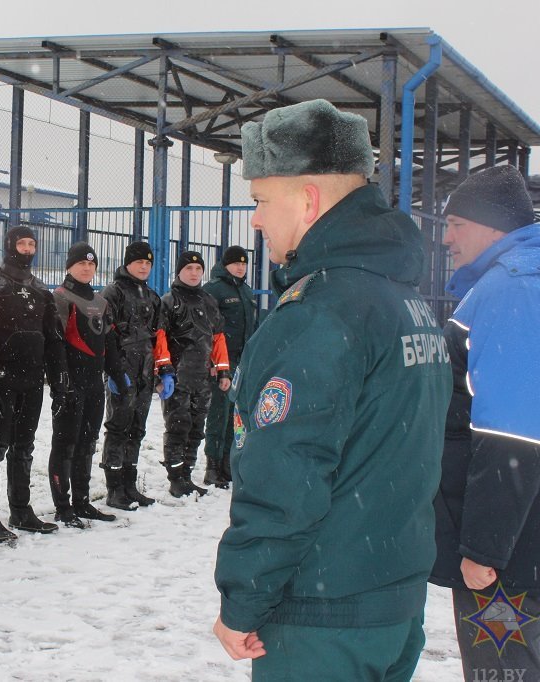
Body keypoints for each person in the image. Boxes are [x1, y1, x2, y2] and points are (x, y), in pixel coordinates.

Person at [212, 99, 451, 680]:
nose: (256, 220)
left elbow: (286, 474)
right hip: (390, 599)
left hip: (324, 617)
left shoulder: (321, 311)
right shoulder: (403, 300)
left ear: (309, 199)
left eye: (263, 201)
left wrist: (243, 600)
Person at [428, 165, 540, 681]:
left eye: (457, 224)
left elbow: (512, 434)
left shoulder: (511, 289)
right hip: (521, 537)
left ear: (493, 226)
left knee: (504, 666)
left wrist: (482, 549)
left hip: (511, 555)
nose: (446, 237)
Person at [0, 226, 68, 541]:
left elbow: (53, 337)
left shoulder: (42, 290)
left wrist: (59, 378)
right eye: (22, 243)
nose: (27, 249)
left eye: (32, 244)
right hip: (1, 377)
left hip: (32, 378)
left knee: (24, 446)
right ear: (9, 245)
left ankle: (21, 508)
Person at [47, 242, 124, 528]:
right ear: (69, 266)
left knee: (87, 444)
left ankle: (82, 500)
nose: (87, 267)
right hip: (71, 385)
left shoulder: (100, 301)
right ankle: (63, 505)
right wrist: (61, 381)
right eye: (81, 263)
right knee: (65, 444)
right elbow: (55, 344)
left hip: (93, 384)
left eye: (91, 264)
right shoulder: (60, 298)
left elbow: (110, 342)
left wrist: (118, 376)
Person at [100, 241, 174, 510]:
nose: (144, 267)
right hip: (123, 373)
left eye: (148, 263)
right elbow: (105, 335)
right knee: (118, 427)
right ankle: (114, 488)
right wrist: (113, 370)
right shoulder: (114, 292)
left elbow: (158, 338)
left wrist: (163, 371)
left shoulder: (153, 297)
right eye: (139, 262)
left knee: (137, 429)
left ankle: (130, 486)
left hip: (144, 372)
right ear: (128, 263)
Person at [160, 251, 229, 498]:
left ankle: (187, 474)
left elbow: (218, 338)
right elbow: (160, 338)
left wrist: (223, 370)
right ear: (179, 272)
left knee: (197, 428)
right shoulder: (169, 301)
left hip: (203, 378)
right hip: (178, 377)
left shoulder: (209, 301)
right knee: (178, 426)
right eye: (188, 268)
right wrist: (164, 370)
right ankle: (176, 478)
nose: (194, 273)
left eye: (198, 269)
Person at [202, 245, 257, 488]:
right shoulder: (214, 289)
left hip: (242, 359)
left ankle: (226, 462)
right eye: (236, 263)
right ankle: (212, 465)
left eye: (244, 264)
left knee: (234, 414)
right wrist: (212, 361)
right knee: (219, 412)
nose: (240, 267)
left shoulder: (245, 290)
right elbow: (206, 328)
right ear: (226, 265)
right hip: (222, 360)